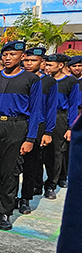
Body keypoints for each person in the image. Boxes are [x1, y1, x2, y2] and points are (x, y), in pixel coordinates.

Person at [0, 40, 43, 231]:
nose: (7, 58)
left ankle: (5, 212)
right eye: (5, 54)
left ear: (22, 56)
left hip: (16, 126)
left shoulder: (31, 79)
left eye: (12, 54)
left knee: (10, 172)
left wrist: (30, 138)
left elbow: (35, 111)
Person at [17, 47, 56, 214]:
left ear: (42, 62)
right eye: (26, 60)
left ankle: (25, 198)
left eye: (33, 60)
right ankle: (10, 197)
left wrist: (48, 132)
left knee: (31, 164)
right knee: (12, 165)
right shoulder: (18, 78)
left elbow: (51, 108)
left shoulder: (48, 82)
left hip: (38, 125)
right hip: (17, 124)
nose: (29, 63)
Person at [45, 54, 79, 199]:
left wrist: (70, 127)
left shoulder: (71, 82)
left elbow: (73, 106)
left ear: (60, 66)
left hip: (60, 117)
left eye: (50, 65)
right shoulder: (43, 80)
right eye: (46, 65)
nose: (47, 68)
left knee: (56, 153)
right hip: (43, 115)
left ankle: (51, 185)